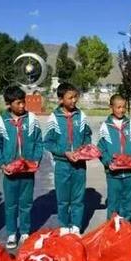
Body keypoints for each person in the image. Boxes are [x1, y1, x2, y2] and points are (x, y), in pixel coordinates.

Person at [0, 86, 44, 249]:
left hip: (27, 171)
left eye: (23, 102)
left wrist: (35, 160)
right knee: (11, 204)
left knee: (26, 204)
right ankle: (12, 233)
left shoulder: (32, 119)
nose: (22, 106)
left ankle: (26, 232)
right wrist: (2, 164)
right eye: (18, 103)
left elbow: (38, 143)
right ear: (8, 104)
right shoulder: (1, 122)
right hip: (10, 172)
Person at [44, 82, 92, 234]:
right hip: (62, 165)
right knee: (63, 199)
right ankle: (64, 226)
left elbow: (87, 135)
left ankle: (76, 227)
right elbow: (48, 142)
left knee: (78, 198)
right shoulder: (53, 118)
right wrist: (64, 152)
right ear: (60, 99)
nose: (74, 100)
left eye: (75, 97)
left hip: (79, 165)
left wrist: (85, 149)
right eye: (70, 97)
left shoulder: (81, 116)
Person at [97, 94, 131, 222]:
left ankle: (126, 229)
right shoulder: (105, 127)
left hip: (129, 173)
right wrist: (108, 162)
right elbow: (101, 149)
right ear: (111, 107)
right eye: (118, 107)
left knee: (128, 203)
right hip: (113, 174)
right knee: (113, 203)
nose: (121, 110)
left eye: (123, 107)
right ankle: (111, 230)